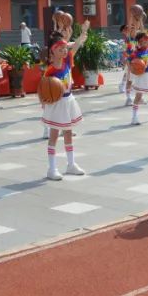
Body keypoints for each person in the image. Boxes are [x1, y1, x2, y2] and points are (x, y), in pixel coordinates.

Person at [42, 22, 90, 181]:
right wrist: (45, 103)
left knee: (68, 132)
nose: (64, 51)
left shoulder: (68, 59)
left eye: (64, 48)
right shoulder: (50, 70)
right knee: (55, 134)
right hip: (57, 104)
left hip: (69, 100)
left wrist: (83, 32)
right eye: (60, 49)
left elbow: (76, 45)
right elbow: (44, 90)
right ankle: (51, 168)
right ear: (52, 51)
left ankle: (71, 164)